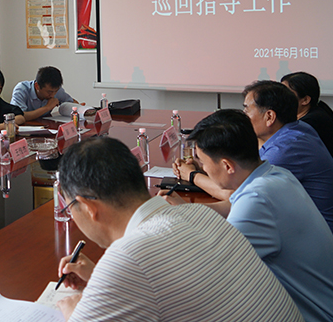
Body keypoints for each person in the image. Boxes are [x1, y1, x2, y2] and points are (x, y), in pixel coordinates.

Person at [54, 137, 302, 322]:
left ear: (88, 207)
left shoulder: (129, 258)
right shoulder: (199, 214)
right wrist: (102, 283)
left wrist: (72, 312)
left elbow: (140, 271)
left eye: (70, 207)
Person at [166, 109, 333, 322]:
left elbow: (211, 274)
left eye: (204, 163)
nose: (203, 168)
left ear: (227, 166)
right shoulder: (275, 175)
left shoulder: (256, 200)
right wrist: (186, 210)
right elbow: (233, 206)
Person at [175, 80, 333, 237]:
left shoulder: (283, 152)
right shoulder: (295, 130)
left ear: (269, 116)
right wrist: (210, 166)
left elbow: (234, 196)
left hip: (331, 241)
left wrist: (192, 175)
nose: (244, 116)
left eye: (247, 109)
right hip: (306, 233)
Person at [10, 66, 79, 122]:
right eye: (49, 92)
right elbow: (19, 116)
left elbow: (72, 102)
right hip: (25, 128)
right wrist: (47, 107)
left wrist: (80, 109)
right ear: (37, 86)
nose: (52, 95)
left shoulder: (56, 90)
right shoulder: (21, 89)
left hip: (45, 126)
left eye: (55, 91)